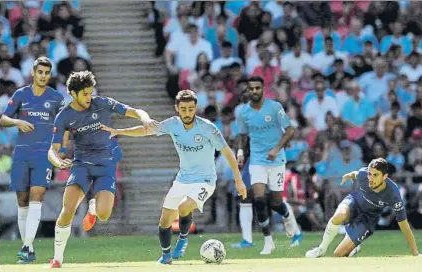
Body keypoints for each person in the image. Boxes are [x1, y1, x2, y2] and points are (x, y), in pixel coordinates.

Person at [101, 89, 247, 264]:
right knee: (165, 219)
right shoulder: (172, 124)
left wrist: (239, 180)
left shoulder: (208, 128)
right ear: (177, 108)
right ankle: (166, 255)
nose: (187, 113)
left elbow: (228, 153)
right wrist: (119, 131)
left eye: (191, 109)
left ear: (195, 108)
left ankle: (183, 240)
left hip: (205, 180)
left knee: (185, 206)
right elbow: (146, 130)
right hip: (182, 179)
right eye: (184, 109)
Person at [47, 71, 158, 268]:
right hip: (81, 165)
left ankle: (93, 207)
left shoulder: (103, 103)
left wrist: (145, 119)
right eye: (85, 94)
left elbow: (133, 111)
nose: (89, 97)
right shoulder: (64, 116)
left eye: (90, 93)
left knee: (104, 214)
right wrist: (57, 162)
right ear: (73, 93)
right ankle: (57, 259)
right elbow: (53, 151)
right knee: (68, 209)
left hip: (106, 165)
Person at [0, 57, 66, 264]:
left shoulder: (56, 98)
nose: (43, 76)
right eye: (40, 72)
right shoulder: (21, 94)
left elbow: (63, 126)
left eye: (47, 73)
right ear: (33, 72)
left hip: (43, 155)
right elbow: (2, 118)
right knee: (22, 201)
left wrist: (60, 151)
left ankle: (27, 248)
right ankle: (28, 247)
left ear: (50, 74)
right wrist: (17, 121)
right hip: (21, 154)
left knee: (37, 196)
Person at [236, 76, 303, 255]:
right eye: (251, 89)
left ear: (263, 90)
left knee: (275, 202)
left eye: (258, 88)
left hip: (277, 160)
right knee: (258, 199)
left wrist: (276, 149)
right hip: (257, 161)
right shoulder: (243, 113)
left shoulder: (274, 107)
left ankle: (288, 217)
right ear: (248, 91)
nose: (255, 91)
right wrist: (241, 153)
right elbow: (242, 136)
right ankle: (268, 240)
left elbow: (290, 131)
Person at [305, 158, 421, 258]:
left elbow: (404, 224)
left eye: (375, 175)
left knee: (338, 254)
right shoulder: (363, 175)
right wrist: (347, 175)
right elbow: (355, 174)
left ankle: (354, 246)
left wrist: (415, 252)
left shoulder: (393, 193)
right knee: (339, 216)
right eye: (370, 174)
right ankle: (321, 249)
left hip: (369, 219)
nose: (371, 178)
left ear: (384, 177)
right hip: (354, 202)